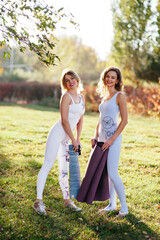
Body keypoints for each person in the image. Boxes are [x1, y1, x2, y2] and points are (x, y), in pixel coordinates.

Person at [33, 69, 85, 215]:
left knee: (64, 170)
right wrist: (73, 139)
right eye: (67, 80)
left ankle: (67, 201)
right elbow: (64, 120)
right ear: (65, 84)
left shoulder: (81, 98)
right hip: (57, 134)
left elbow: (80, 119)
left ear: (77, 79)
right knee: (47, 164)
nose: (70, 82)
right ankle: (38, 202)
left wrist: (78, 138)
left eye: (72, 78)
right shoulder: (66, 97)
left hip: (68, 137)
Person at [91, 66, 129, 218]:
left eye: (113, 77)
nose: (109, 79)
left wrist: (112, 139)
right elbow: (100, 120)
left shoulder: (120, 96)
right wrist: (95, 136)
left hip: (113, 140)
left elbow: (125, 121)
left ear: (117, 80)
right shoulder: (105, 96)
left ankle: (124, 209)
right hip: (101, 140)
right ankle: (112, 204)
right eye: (107, 76)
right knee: (107, 173)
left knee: (113, 173)